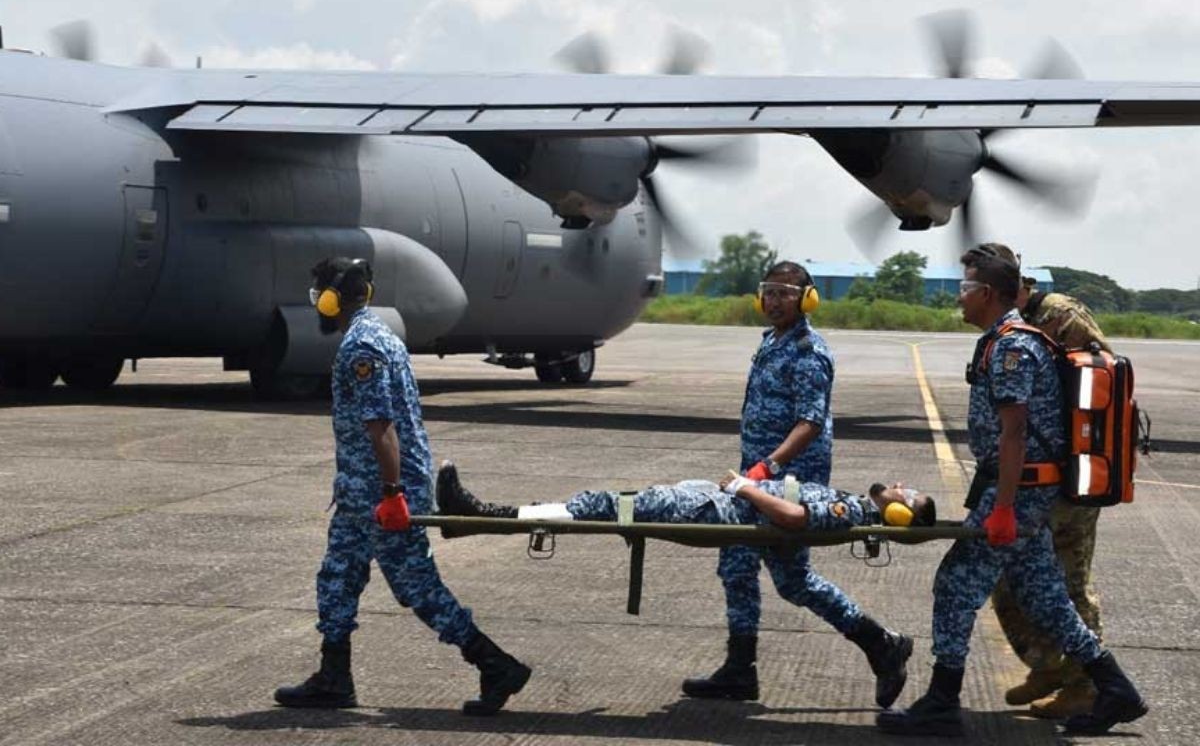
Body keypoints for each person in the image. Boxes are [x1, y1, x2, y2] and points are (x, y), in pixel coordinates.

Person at [877, 245, 1147, 737]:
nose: (957, 298)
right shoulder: (1005, 339)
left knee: (955, 586)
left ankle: (941, 700)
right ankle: (1115, 687)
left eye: (963, 288)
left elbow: (1015, 432)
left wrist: (1001, 509)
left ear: (985, 293)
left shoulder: (1011, 348)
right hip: (1024, 492)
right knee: (1046, 597)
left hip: (1019, 494)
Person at [437, 461, 927, 709]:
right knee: (796, 585)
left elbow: (795, 517)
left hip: (726, 508)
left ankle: (486, 516)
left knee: (615, 504)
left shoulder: (852, 510)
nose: (902, 484)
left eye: (910, 493)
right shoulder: (859, 507)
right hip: (730, 503)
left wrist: (744, 488)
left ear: (901, 513)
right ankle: (880, 645)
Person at [274, 257, 531, 716]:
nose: (318, 304)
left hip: (382, 494)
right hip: (359, 495)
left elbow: (382, 428)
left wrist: (392, 493)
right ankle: (334, 678)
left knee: (417, 588)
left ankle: (496, 665)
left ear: (333, 298)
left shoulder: (362, 348)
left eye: (320, 295)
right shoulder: (379, 335)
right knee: (337, 577)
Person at [688, 260, 838, 702]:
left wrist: (766, 467)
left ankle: (880, 643)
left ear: (807, 298)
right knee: (736, 565)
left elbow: (810, 422)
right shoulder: (772, 342)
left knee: (794, 581)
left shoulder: (808, 351)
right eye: (768, 291)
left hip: (787, 482)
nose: (774, 301)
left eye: (785, 293)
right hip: (755, 479)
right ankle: (739, 669)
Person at [992, 276, 1112, 718]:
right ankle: (1047, 666)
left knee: (1069, 583)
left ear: (1017, 283)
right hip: (1038, 478)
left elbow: (1102, 384)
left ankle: (1087, 685)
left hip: (1074, 475)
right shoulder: (1015, 323)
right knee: (1007, 580)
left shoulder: (1060, 315)